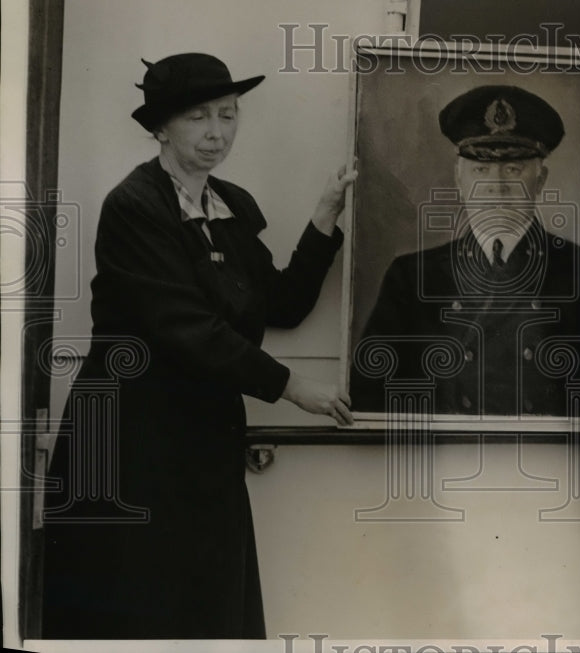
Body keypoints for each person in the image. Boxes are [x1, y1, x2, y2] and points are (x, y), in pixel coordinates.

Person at [42, 53, 355, 639]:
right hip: (129, 443)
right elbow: (186, 328)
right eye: (197, 118)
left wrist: (324, 215)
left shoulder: (230, 206)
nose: (217, 133)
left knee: (205, 612)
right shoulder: (133, 206)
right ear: (160, 127)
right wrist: (292, 387)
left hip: (204, 439)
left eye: (228, 115)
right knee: (135, 612)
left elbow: (281, 304)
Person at [351, 85, 580, 418]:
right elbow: (371, 396)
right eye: (480, 170)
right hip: (442, 459)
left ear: (541, 179)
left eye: (513, 170)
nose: (496, 187)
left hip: (551, 460)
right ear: (459, 180)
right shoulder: (412, 277)